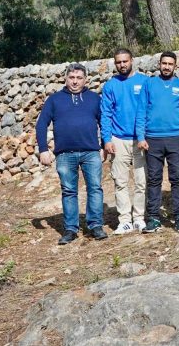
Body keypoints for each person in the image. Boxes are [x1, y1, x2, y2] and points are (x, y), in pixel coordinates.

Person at [35, 63, 108, 245]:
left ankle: (96, 225)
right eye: (72, 78)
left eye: (79, 78)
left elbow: (104, 122)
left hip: (91, 152)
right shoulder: (55, 99)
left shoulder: (94, 98)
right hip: (65, 154)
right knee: (68, 191)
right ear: (66, 78)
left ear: (85, 80)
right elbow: (41, 124)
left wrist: (105, 145)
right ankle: (70, 229)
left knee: (95, 189)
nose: (75, 81)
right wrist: (43, 149)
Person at [136, 51, 179, 233]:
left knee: (177, 178)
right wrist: (141, 137)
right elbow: (141, 110)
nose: (167, 67)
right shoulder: (149, 84)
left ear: (175, 66)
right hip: (153, 139)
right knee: (154, 179)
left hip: (176, 138)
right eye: (164, 63)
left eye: (170, 64)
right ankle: (153, 218)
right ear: (159, 64)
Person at [100, 48, 148, 235]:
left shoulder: (144, 82)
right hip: (118, 139)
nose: (122, 65)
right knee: (120, 181)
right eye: (118, 62)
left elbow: (149, 109)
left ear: (132, 61)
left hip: (140, 139)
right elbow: (106, 114)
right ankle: (125, 220)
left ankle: (139, 218)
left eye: (125, 61)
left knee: (141, 181)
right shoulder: (111, 85)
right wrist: (106, 139)